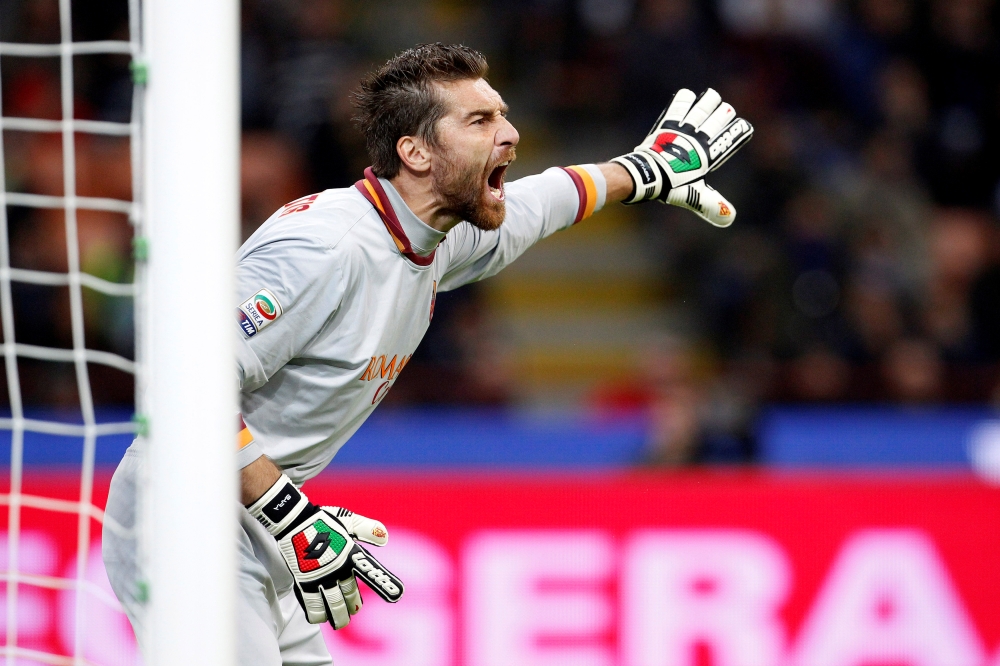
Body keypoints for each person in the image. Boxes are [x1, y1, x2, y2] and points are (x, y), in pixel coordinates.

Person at [103, 42, 752, 665]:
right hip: (186, 516)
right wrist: (287, 512)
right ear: (415, 152)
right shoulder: (324, 248)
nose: (510, 132)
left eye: (502, 112)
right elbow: (184, 386)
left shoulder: (433, 238)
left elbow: (543, 200)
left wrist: (643, 171)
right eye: (481, 119)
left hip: (260, 517)